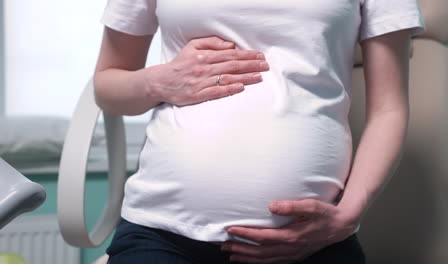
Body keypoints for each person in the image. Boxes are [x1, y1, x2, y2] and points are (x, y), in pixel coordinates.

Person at [94, 0, 425, 263]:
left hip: (309, 240)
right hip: (163, 232)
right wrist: (158, 81)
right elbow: (107, 85)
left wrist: (347, 216)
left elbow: (389, 109)